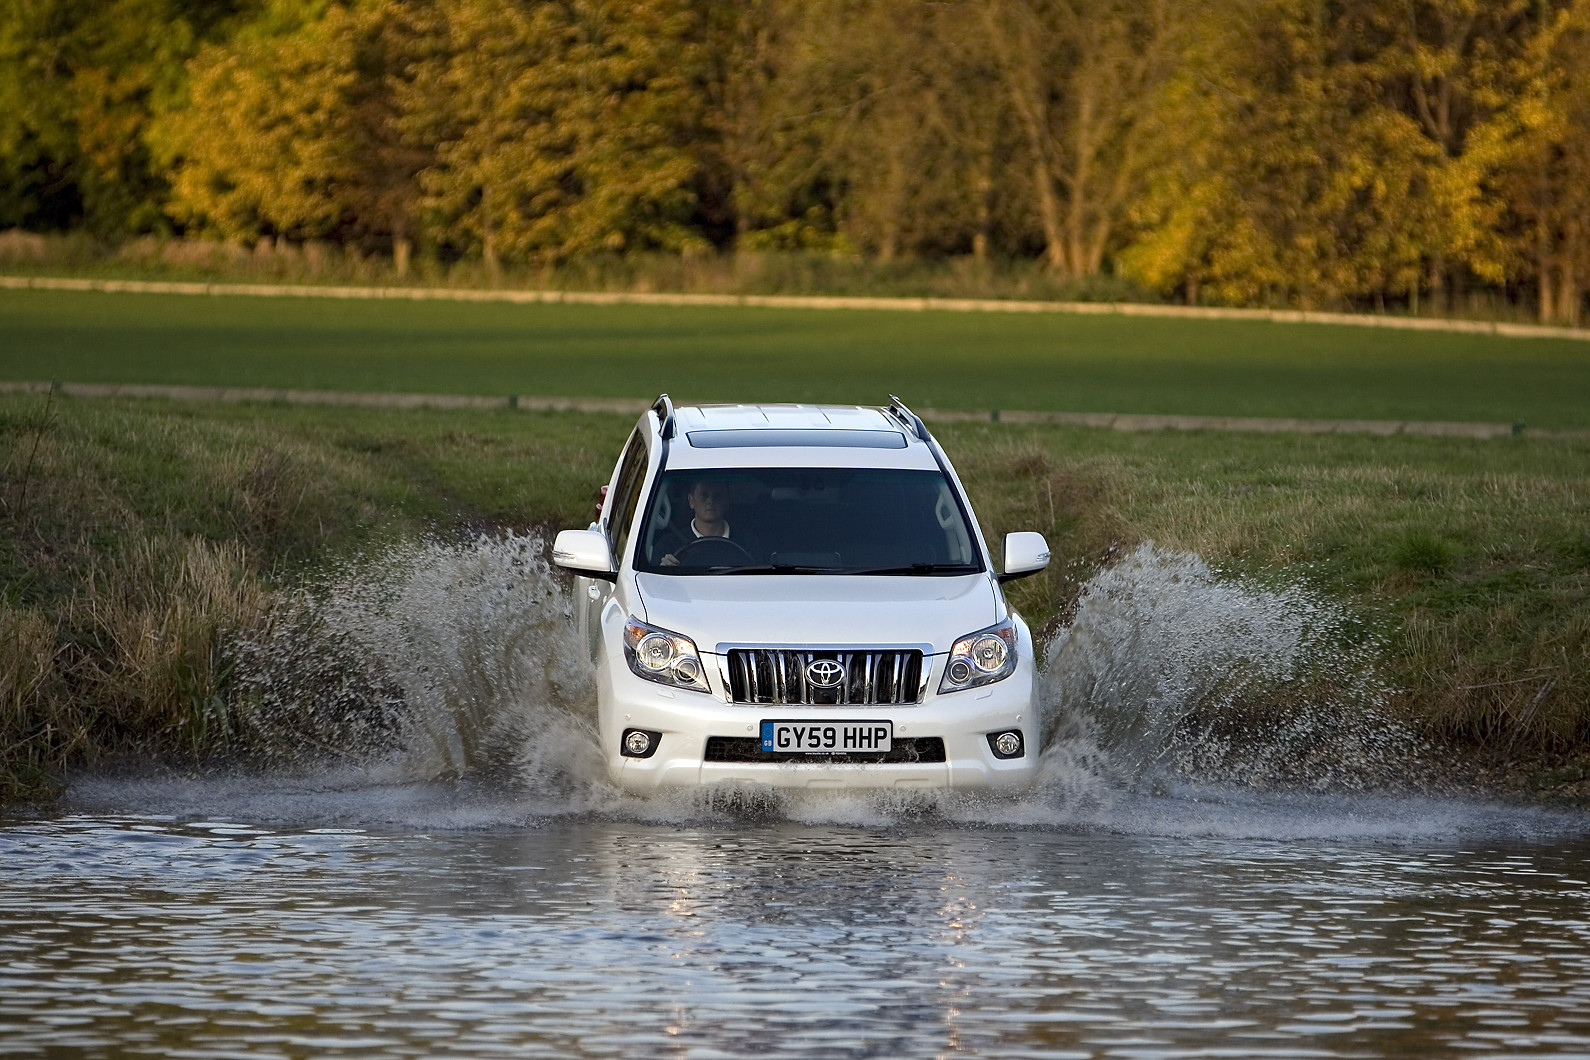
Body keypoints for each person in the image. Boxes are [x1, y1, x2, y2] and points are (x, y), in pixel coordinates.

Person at [657, 479, 758, 566]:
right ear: (691, 501)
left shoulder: (748, 543)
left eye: (717, 496)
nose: (710, 501)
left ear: (727, 502)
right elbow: (654, 581)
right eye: (703, 495)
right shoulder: (669, 544)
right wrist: (665, 569)